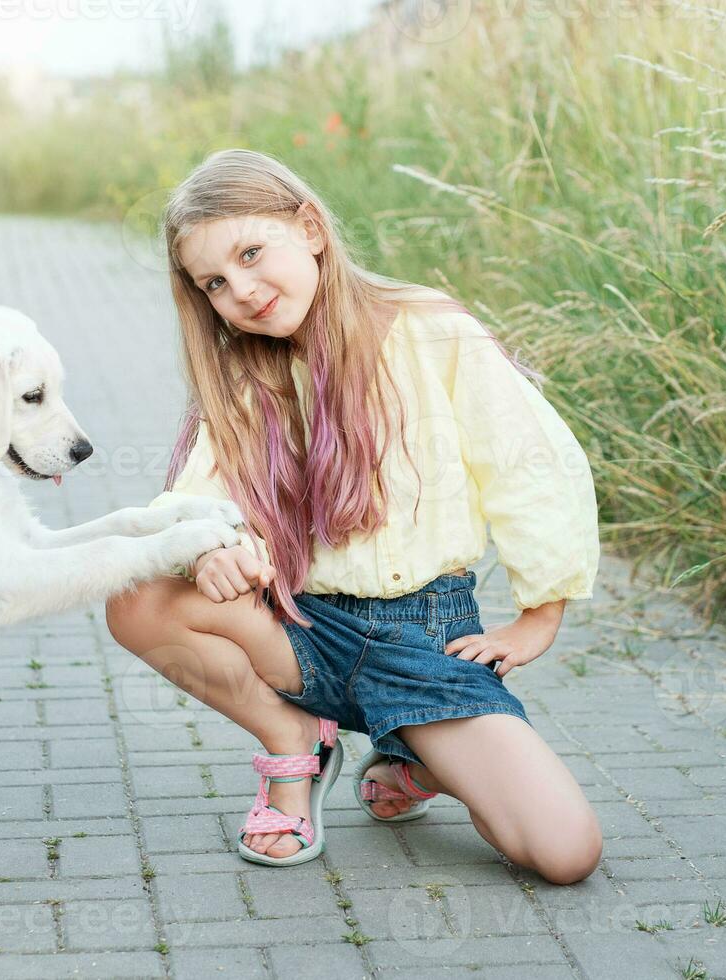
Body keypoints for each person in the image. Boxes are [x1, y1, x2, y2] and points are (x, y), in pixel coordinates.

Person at [105, 149, 603, 882]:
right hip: (304, 629)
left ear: (309, 227)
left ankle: (413, 755)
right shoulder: (247, 375)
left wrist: (540, 612)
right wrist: (207, 546)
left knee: (564, 854)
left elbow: (529, 464)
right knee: (138, 595)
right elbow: (193, 494)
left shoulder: (431, 329)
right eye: (215, 281)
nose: (241, 290)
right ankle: (295, 741)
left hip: (425, 641)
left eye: (251, 253)